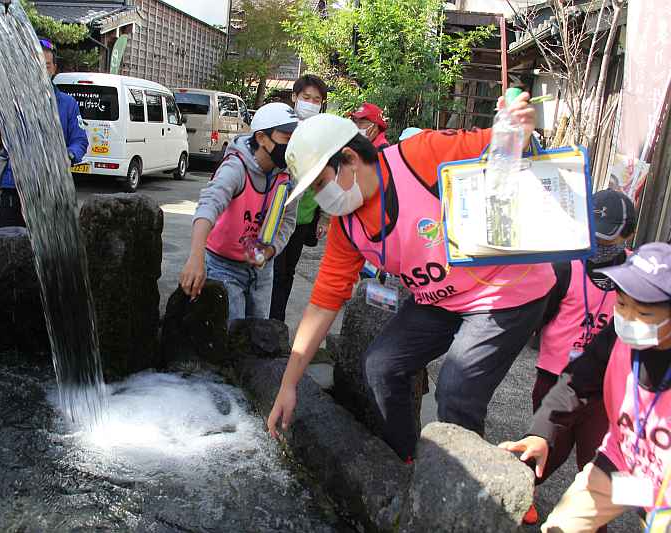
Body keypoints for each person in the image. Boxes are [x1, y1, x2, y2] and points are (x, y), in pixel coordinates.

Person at [267, 93, 556, 463]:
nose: (323, 199)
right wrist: (289, 384)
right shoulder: (347, 226)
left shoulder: (420, 155)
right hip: (439, 298)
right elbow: (323, 302)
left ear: (350, 160)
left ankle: (471, 493)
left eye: (322, 183)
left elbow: (501, 145)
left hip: (506, 289)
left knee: (456, 388)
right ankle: (409, 462)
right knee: (382, 365)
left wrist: (515, 125)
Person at [500, 242, 671, 532]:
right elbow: (574, 382)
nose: (627, 319)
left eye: (642, 314)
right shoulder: (615, 339)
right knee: (562, 526)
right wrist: (542, 432)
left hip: (665, 488)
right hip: (621, 468)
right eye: (621, 304)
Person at [517, 189, 636, 526]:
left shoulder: (637, 273)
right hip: (556, 378)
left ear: (628, 235)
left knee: (596, 462)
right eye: (593, 233)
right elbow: (538, 317)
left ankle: (592, 519)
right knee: (546, 448)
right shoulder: (563, 264)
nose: (599, 242)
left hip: (605, 387)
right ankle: (521, 491)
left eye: (609, 236)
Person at [179, 102, 299, 322]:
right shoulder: (236, 168)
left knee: (257, 330)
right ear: (262, 138)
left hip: (261, 267)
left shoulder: (289, 175)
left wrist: (270, 250)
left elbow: (288, 220)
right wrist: (196, 256)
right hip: (223, 265)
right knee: (232, 329)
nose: (293, 146)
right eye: (286, 137)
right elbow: (208, 205)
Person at [0, 38, 88, 228]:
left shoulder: (67, 104)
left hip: (52, 186)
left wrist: (69, 154)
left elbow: (80, 140)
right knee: (9, 240)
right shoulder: (15, 98)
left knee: (49, 250)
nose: (41, 70)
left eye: (47, 65)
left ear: (54, 69)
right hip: (15, 184)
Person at [270, 75, 330, 321]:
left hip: (303, 215)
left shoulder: (324, 134)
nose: (311, 103)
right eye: (306, 98)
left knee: (287, 272)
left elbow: (328, 177)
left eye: (317, 100)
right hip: (273, 212)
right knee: (269, 269)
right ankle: (259, 319)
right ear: (294, 98)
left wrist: (325, 217)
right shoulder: (279, 125)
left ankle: (277, 322)